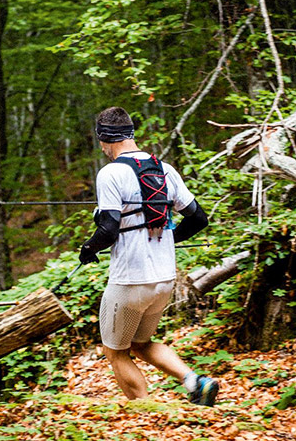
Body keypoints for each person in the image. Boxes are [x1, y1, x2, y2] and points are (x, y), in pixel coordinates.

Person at [79, 106, 219, 406]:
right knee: (141, 343)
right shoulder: (165, 169)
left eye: (100, 142)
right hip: (164, 281)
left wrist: (88, 249)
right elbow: (198, 219)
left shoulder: (110, 173)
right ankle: (196, 383)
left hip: (130, 281)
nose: (101, 148)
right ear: (130, 133)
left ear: (105, 138)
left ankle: (147, 413)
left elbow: (108, 228)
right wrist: (168, 239)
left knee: (115, 352)